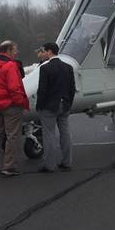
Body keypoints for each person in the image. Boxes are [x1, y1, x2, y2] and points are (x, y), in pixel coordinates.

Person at [0, 40, 30, 177]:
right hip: (11, 106)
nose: (16, 52)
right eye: (15, 50)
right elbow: (15, 87)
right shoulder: (10, 65)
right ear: (8, 50)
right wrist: (21, 102)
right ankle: (9, 166)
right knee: (12, 136)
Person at [36, 42, 76, 173]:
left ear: (49, 52)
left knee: (49, 135)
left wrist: (39, 106)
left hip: (49, 106)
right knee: (65, 133)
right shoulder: (68, 67)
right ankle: (67, 161)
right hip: (64, 104)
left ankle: (49, 165)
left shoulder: (45, 68)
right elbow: (72, 88)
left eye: (44, 51)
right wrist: (69, 104)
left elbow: (42, 90)